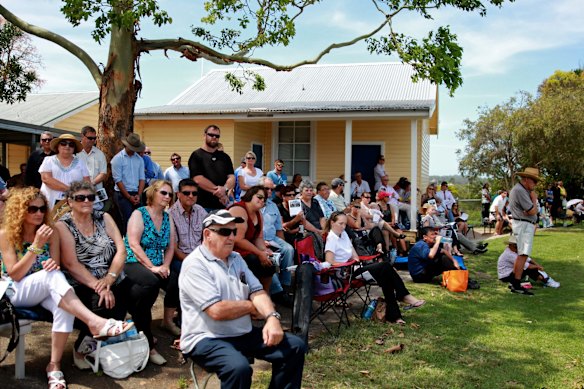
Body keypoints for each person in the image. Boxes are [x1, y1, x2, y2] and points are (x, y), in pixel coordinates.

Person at [0, 187, 133, 389]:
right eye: (32, 209)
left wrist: (52, 264)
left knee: (62, 304)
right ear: (20, 211)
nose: (39, 213)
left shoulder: (50, 232)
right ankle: (95, 322)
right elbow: (15, 274)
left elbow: (55, 266)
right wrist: (36, 246)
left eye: (42, 208)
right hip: (14, 291)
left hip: (42, 287)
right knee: (53, 277)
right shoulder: (6, 234)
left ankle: (54, 366)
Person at [179, 210, 306, 388]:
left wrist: (271, 318)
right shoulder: (195, 264)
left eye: (234, 231)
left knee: (295, 347)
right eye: (224, 232)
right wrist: (250, 307)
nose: (231, 237)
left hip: (240, 333)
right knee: (238, 368)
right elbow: (216, 310)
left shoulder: (236, 259)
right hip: (205, 338)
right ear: (207, 234)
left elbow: (258, 292)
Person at [55, 181, 132, 369]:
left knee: (135, 292)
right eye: (80, 198)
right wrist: (99, 285)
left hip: (110, 275)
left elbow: (121, 249)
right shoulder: (63, 225)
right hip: (82, 280)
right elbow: (71, 263)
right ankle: (82, 348)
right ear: (70, 202)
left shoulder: (103, 217)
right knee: (100, 305)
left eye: (91, 197)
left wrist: (110, 278)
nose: (87, 201)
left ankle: (105, 342)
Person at [324, 212, 425, 324]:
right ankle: (403, 296)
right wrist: (349, 263)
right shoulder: (331, 238)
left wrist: (354, 260)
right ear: (332, 222)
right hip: (345, 274)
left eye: (345, 224)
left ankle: (395, 316)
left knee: (386, 277)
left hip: (355, 267)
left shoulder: (343, 235)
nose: (343, 227)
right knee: (385, 266)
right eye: (340, 223)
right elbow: (330, 262)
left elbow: (355, 256)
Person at [124, 180, 177, 365]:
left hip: (157, 262)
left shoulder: (167, 217)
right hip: (133, 260)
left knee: (175, 280)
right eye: (163, 192)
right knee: (151, 283)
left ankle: (164, 322)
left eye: (170, 194)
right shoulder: (139, 213)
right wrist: (153, 267)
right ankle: (147, 342)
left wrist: (166, 266)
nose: (167, 197)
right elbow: (133, 244)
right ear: (153, 193)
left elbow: (171, 246)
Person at [168, 178, 208, 334]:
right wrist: (192, 262)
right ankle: (185, 317)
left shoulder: (201, 211)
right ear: (178, 194)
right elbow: (174, 247)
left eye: (194, 193)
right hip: (180, 257)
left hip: (200, 255)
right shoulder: (170, 214)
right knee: (186, 273)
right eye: (186, 193)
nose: (191, 196)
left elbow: (207, 238)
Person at [229, 186, 275, 291]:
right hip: (231, 248)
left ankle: (264, 295)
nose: (262, 200)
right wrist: (259, 253)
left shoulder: (258, 213)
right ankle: (252, 296)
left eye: (264, 199)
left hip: (248, 248)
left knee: (270, 264)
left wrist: (264, 250)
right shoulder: (239, 209)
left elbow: (258, 237)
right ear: (250, 195)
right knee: (255, 261)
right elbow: (238, 239)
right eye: (259, 197)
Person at [259, 177, 294, 307]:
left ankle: (285, 285)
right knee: (269, 257)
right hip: (258, 240)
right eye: (266, 188)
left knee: (289, 249)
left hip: (273, 238)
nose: (269, 191)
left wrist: (283, 246)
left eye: (271, 189)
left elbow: (279, 229)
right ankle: (277, 292)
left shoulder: (273, 206)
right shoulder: (253, 204)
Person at [508, 167, 541, 295]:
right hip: (523, 224)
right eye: (534, 181)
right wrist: (533, 198)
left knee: (522, 254)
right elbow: (532, 210)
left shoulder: (520, 190)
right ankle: (516, 283)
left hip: (523, 224)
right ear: (526, 179)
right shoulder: (520, 191)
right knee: (523, 254)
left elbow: (532, 211)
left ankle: (514, 280)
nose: (535, 184)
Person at [188, 125, 235, 210]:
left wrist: (225, 189)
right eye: (211, 135)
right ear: (204, 135)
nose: (214, 137)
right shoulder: (196, 155)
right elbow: (198, 179)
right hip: (202, 206)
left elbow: (231, 177)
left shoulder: (225, 157)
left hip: (222, 206)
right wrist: (219, 193)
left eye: (217, 136)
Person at [40, 134, 90, 208]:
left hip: (72, 204)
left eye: (71, 144)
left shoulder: (81, 162)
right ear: (58, 146)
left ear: (74, 149)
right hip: (49, 202)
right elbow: (46, 179)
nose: (67, 146)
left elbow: (87, 183)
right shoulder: (48, 160)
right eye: (63, 143)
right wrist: (70, 190)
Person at [110, 133, 146, 234]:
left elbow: (142, 178)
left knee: (140, 219)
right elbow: (118, 180)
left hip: (136, 191)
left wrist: (138, 195)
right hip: (122, 193)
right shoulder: (117, 159)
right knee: (127, 220)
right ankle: (128, 245)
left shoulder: (139, 159)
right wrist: (129, 197)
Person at [77, 126, 108, 211]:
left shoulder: (100, 154)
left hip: (96, 198)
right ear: (82, 136)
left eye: (94, 138)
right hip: (78, 196)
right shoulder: (75, 153)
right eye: (90, 138)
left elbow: (103, 173)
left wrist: (91, 183)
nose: (92, 141)